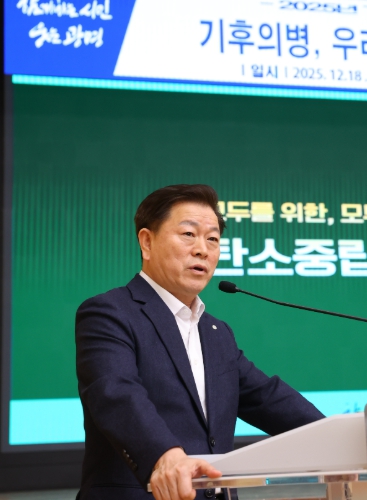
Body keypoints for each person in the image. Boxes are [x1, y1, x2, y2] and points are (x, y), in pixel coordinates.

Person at [75, 184, 324, 500]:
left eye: (213, 239)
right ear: (147, 242)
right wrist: (164, 455)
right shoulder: (110, 312)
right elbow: (115, 394)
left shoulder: (217, 332)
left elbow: (267, 398)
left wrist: (344, 438)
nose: (202, 250)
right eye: (188, 234)